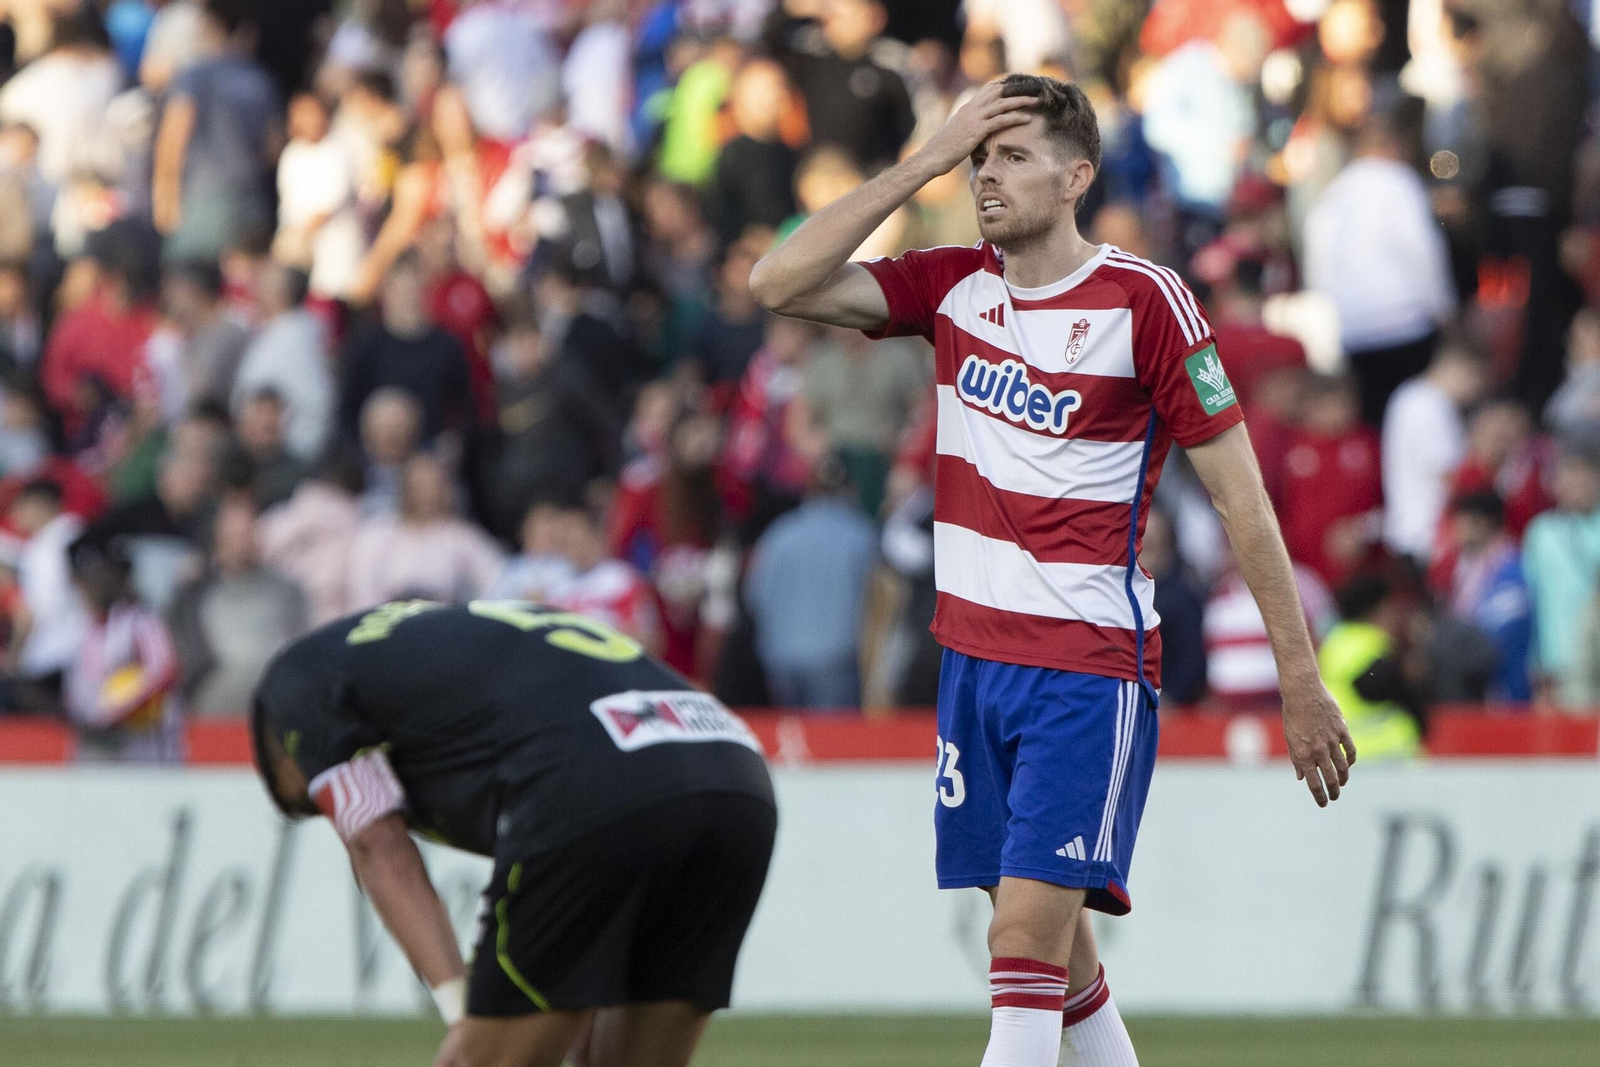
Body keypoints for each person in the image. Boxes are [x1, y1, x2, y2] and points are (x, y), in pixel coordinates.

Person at [751, 74, 1354, 1067]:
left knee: (1021, 938)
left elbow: (1242, 499)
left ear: (1076, 177)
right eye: (981, 157)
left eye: (1013, 155)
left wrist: (1299, 674)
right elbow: (777, 283)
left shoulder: (1144, 302)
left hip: (1083, 668)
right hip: (971, 665)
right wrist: (927, 160)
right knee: (1060, 968)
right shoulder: (951, 286)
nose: (988, 174)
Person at [250, 600, 775, 1067]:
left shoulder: (293, 687)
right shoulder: (439, 651)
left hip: (601, 781)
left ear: (276, 748)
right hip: (733, 772)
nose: (326, 814)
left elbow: (377, 846)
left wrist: (463, 1011)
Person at [1303, 108, 1456, 426]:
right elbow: (1420, 251)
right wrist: (1444, 308)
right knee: (1413, 418)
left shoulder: (1332, 195)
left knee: (1373, 422)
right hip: (1406, 325)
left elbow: (1317, 270)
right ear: (1393, 147)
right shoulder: (1398, 182)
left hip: (1356, 331)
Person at [152, 0, 285, 259]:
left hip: (201, 203)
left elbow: (174, 135)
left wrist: (164, 196)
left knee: (190, 286)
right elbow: (274, 148)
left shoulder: (194, 76)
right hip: (252, 201)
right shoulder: (262, 80)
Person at [743, 453, 877, 709]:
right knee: (833, 744)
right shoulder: (862, 535)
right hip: (836, 658)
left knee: (795, 742)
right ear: (849, 489)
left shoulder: (779, 533)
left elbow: (754, 598)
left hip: (781, 657)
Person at [169, 496, 306, 714]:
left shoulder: (286, 590)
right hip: (215, 712)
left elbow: (301, 647)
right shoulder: (195, 596)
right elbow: (185, 658)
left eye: (248, 533)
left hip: (276, 707)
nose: (243, 542)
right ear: (217, 540)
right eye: (234, 536)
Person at [63, 532, 182, 762]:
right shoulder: (82, 627)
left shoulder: (141, 622)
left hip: (142, 740)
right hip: (94, 741)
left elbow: (163, 671)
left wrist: (113, 712)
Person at [1380, 337, 1487, 567]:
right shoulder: (1429, 403)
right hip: (1427, 537)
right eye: (1478, 379)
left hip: (1409, 531)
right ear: (1460, 367)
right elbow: (1450, 475)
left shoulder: (1409, 395)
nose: (1476, 391)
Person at [1521, 446, 1600, 707]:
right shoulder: (1541, 532)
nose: (1572, 481)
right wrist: (1537, 662)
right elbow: (1532, 600)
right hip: (1559, 666)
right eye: (1565, 473)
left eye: (1581, 473)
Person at [1317, 574, 1423, 760]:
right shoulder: (1372, 645)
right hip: (1384, 759)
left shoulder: (1334, 643)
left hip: (1344, 757)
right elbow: (1388, 688)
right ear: (1380, 609)